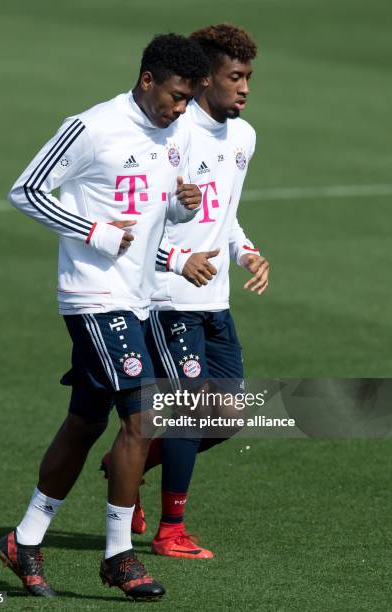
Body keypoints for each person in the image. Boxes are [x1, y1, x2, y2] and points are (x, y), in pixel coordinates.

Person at [0, 34, 208, 600]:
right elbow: (27, 191)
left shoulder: (173, 136)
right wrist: (93, 230)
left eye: (188, 99)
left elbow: (147, 230)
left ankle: (25, 539)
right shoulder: (91, 127)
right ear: (147, 81)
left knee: (86, 422)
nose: (181, 108)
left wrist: (180, 231)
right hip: (92, 295)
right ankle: (118, 555)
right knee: (143, 416)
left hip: (135, 297)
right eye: (176, 95)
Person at [102, 23, 270, 559]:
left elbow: (226, 212)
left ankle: (126, 463)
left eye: (248, 77)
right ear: (203, 82)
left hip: (216, 298)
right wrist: (178, 256)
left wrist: (245, 252)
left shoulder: (243, 137)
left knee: (229, 414)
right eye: (234, 77)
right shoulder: (174, 136)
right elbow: (148, 219)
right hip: (170, 298)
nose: (244, 88)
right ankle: (171, 529)